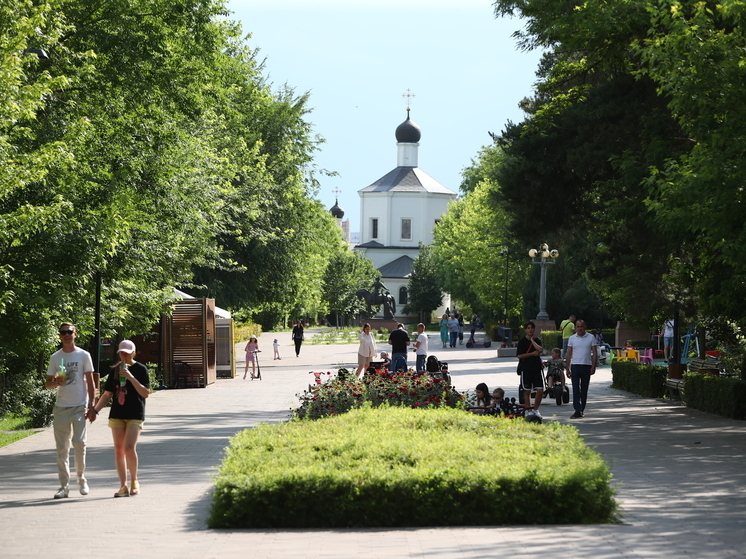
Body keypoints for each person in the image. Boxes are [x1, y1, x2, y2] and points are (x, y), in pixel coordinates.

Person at [87, 340, 150, 497]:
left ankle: (134, 481)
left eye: (127, 353)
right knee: (119, 450)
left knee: (129, 448)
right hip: (117, 414)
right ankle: (123, 486)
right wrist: (94, 410)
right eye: (122, 352)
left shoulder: (141, 369)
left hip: (135, 413)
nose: (124, 355)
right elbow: (107, 394)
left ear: (133, 353)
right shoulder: (115, 370)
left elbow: (145, 393)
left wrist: (130, 377)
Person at [45, 322, 96, 499]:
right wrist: (56, 382)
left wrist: (92, 405)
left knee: (80, 443)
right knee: (62, 449)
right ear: (59, 336)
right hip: (61, 407)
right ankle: (64, 486)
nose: (66, 335)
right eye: (63, 332)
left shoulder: (83, 355)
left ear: (75, 334)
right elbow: (48, 383)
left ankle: (81, 478)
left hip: (79, 406)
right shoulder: (55, 357)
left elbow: (90, 381)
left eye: (69, 332)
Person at [565, 319, 598, 419]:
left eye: (581, 326)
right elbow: (569, 353)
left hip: (586, 366)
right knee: (575, 389)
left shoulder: (591, 337)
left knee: (584, 389)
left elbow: (595, 353)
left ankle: (581, 409)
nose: (579, 329)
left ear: (585, 327)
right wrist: (567, 367)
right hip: (575, 366)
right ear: (575, 328)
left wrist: (593, 366)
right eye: (578, 327)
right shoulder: (572, 338)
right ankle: (577, 410)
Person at [516, 320, 544, 416]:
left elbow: (540, 350)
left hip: (536, 368)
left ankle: (536, 409)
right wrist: (532, 354)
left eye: (532, 328)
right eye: (528, 328)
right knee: (527, 391)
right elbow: (519, 355)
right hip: (526, 368)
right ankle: (529, 411)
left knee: (540, 390)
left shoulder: (537, 340)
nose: (530, 330)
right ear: (525, 330)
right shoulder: (522, 341)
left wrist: (532, 340)